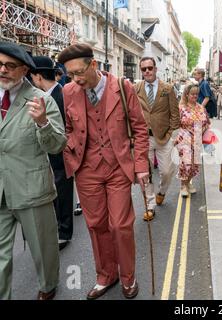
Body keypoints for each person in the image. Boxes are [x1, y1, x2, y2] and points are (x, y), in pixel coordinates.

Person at [58, 43, 149, 299]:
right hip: (86, 170)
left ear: (94, 65)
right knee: (96, 225)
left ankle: (128, 277)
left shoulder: (122, 87)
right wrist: (71, 149)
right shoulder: (68, 91)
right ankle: (106, 275)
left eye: (79, 72)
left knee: (120, 225)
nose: (76, 79)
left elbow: (140, 129)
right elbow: (66, 128)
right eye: (70, 74)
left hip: (118, 167)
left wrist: (141, 166)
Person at [0, 42, 66, 300]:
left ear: (24, 70)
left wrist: (43, 123)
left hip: (32, 188)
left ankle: (49, 285)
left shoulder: (42, 100)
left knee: (43, 247)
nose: (3, 70)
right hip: (1, 190)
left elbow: (57, 144)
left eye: (10, 66)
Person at [30, 56, 74, 251]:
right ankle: (57, 229)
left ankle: (64, 233)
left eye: (32, 77)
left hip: (62, 154)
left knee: (63, 194)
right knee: (55, 195)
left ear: (38, 77)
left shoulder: (61, 94)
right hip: (49, 155)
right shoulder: (45, 95)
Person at [134, 57, 180, 221]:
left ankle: (162, 191)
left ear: (155, 69)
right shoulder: (135, 88)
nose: (147, 71)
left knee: (167, 172)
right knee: (145, 174)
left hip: (163, 137)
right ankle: (150, 206)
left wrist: (170, 134)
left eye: (150, 68)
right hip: (143, 138)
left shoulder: (167, 89)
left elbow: (175, 114)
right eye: (144, 69)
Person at [175, 84, 210, 197]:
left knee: (194, 165)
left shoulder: (201, 107)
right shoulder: (181, 107)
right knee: (186, 163)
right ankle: (183, 186)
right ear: (187, 94)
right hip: (184, 139)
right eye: (192, 94)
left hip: (197, 140)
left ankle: (188, 183)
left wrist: (203, 130)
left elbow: (207, 122)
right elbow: (175, 123)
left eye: (196, 94)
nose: (195, 96)